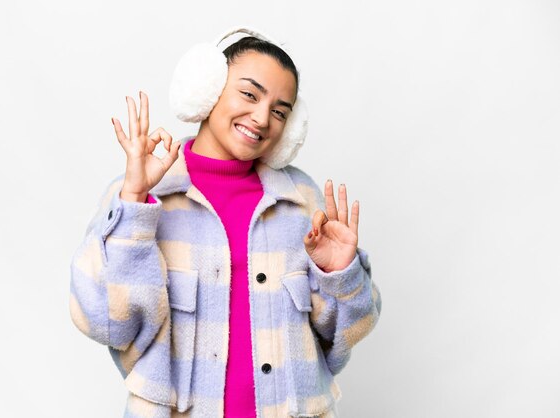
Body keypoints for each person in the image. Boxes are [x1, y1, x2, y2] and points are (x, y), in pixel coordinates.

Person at [69, 27, 382, 418]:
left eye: (280, 111)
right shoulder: (142, 194)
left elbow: (346, 335)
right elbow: (106, 322)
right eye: (249, 94)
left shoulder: (300, 200)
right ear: (207, 89)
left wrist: (341, 275)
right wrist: (134, 202)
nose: (262, 117)